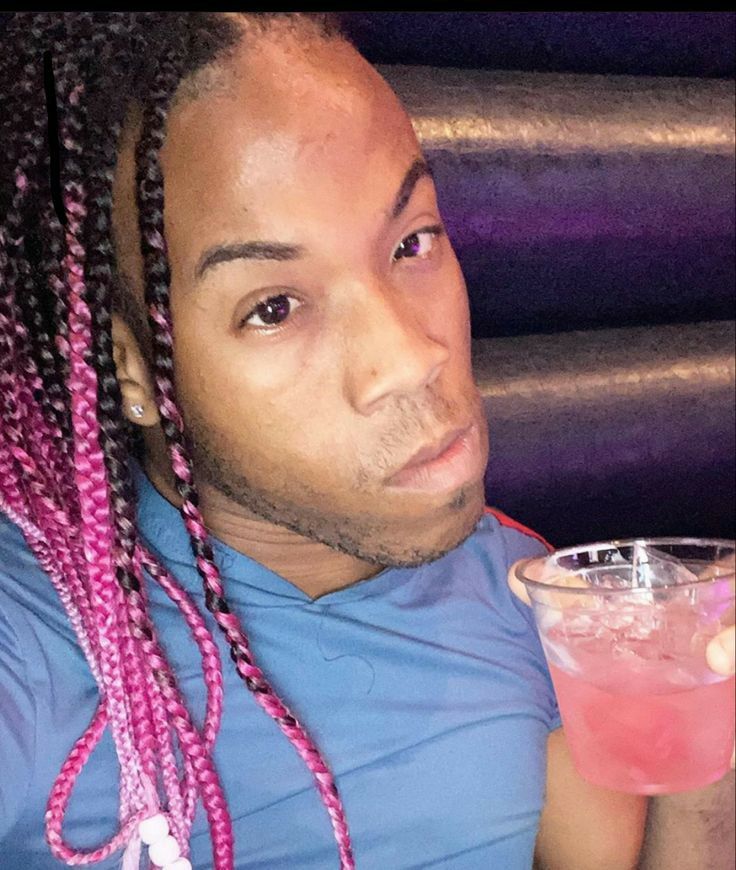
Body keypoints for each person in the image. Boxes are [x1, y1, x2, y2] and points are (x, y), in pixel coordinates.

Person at [0, 12, 732, 870]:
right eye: (273, 307)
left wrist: (713, 738)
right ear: (130, 371)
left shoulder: (534, 596)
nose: (411, 357)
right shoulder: (38, 637)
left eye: (412, 242)